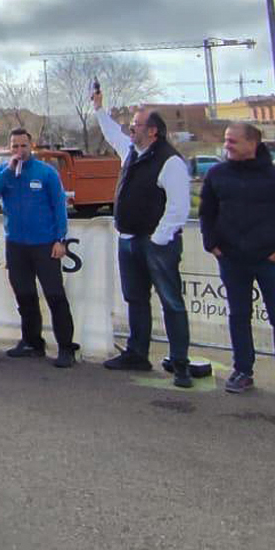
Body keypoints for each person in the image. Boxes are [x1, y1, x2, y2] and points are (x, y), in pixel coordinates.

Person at [199, 123, 275, 403]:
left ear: (253, 143)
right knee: (238, 315)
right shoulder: (216, 175)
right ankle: (242, 370)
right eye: (226, 140)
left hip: (269, 260)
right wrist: (212, 244)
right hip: (233, 259)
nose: (227, 146)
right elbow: (206, 214)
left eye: (233, 141)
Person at [93, 86, 194, 387]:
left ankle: (180, 362)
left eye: (136, 125)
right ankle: (137, 352)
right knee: (135, 299)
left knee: (171, 301)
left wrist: (158, 239)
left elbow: (178, 208)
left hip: (155, 243)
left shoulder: (170, 161)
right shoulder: (131, 153)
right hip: (128, 239)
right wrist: (99, 109)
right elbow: (113, 134)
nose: (130, 129)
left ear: (152, 131)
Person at [0, 128, 77, 367]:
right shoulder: (4, 172)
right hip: (16, 244)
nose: (19, 151)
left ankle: (66, 347)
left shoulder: (46, 173)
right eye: (15, 146)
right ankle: (32, 342)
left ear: (31, 146)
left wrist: (60, 239)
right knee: (25, 295)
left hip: (45, 244)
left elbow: (59, 207)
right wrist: (8, 170)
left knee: (55, 295)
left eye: (23, 146)